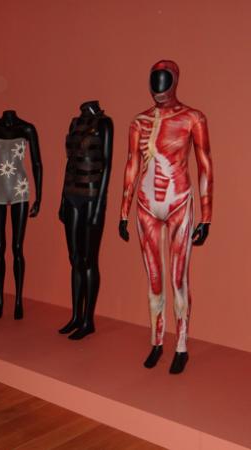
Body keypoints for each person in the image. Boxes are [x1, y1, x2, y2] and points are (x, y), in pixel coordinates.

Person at [119, 60, 213, 374]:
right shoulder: (139, 121)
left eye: (164, 80)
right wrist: (123, 210)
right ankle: (157, 341)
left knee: (178, 278)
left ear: (174, 81)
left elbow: (204, 163)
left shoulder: (193, 118)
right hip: (145, 204)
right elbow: (132, 163)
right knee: (154, 278)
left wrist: (206, 216)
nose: (158, 87)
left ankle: (181, 345)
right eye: (154, 80)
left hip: (179, 201)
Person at [0, 110, 42, 320]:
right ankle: (0, 301)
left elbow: (37, 164)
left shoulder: (27, 129)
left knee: (17, 247)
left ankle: (18, 300)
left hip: (20, 189)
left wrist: (39, 197)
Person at [58, 101, 113, 340]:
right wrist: (62, 199)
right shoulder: (75, 123)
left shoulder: (105, 123)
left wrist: (100, 205)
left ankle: (88, 320)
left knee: (89, 259)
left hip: (91, 195)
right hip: (71, 194)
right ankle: (76, 316)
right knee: (75, 259)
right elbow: (69, 162)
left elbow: (107, 166)